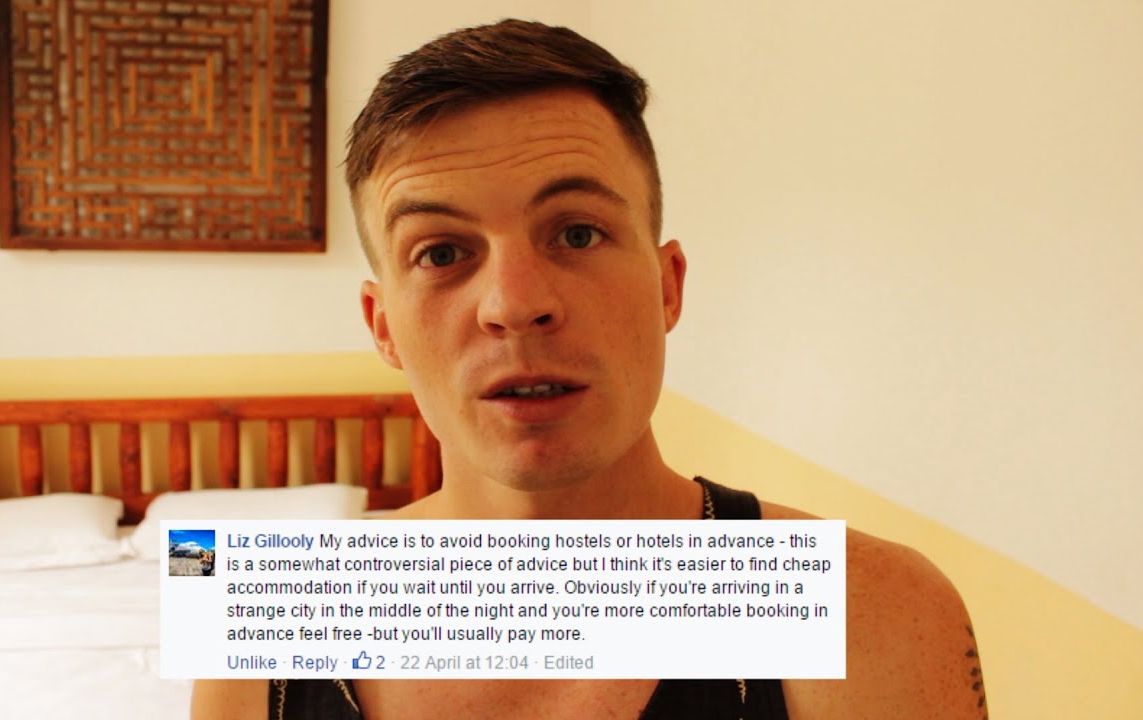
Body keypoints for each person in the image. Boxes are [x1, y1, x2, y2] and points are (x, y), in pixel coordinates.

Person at [193, 19, 988, 719]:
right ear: (383, 327)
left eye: (576, 233)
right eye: (440, 253)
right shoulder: (255, 610)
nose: (515, 304)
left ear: (668, 286)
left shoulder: (872, 612)